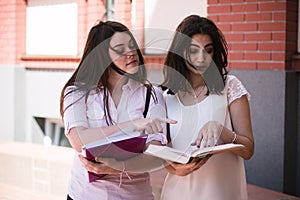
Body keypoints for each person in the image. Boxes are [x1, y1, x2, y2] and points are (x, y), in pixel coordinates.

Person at [60, 20, 175, 200]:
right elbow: (78, 140)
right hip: (85, 195)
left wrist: (117, 167)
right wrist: (131, 125)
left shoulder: (152, 94)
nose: (131, 53)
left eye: (132, 45)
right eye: (120, 49)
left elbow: (157, 154)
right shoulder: (77, 93)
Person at [160, 15, 254, 200]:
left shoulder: (230, 86)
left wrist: (221, 131)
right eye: (193, 51)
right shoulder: (166, 97)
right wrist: (174, 168)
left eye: (208, 50)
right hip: (177, 192)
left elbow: (248, 150)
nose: (201, 58)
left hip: (222, 191)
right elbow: (163, 154)